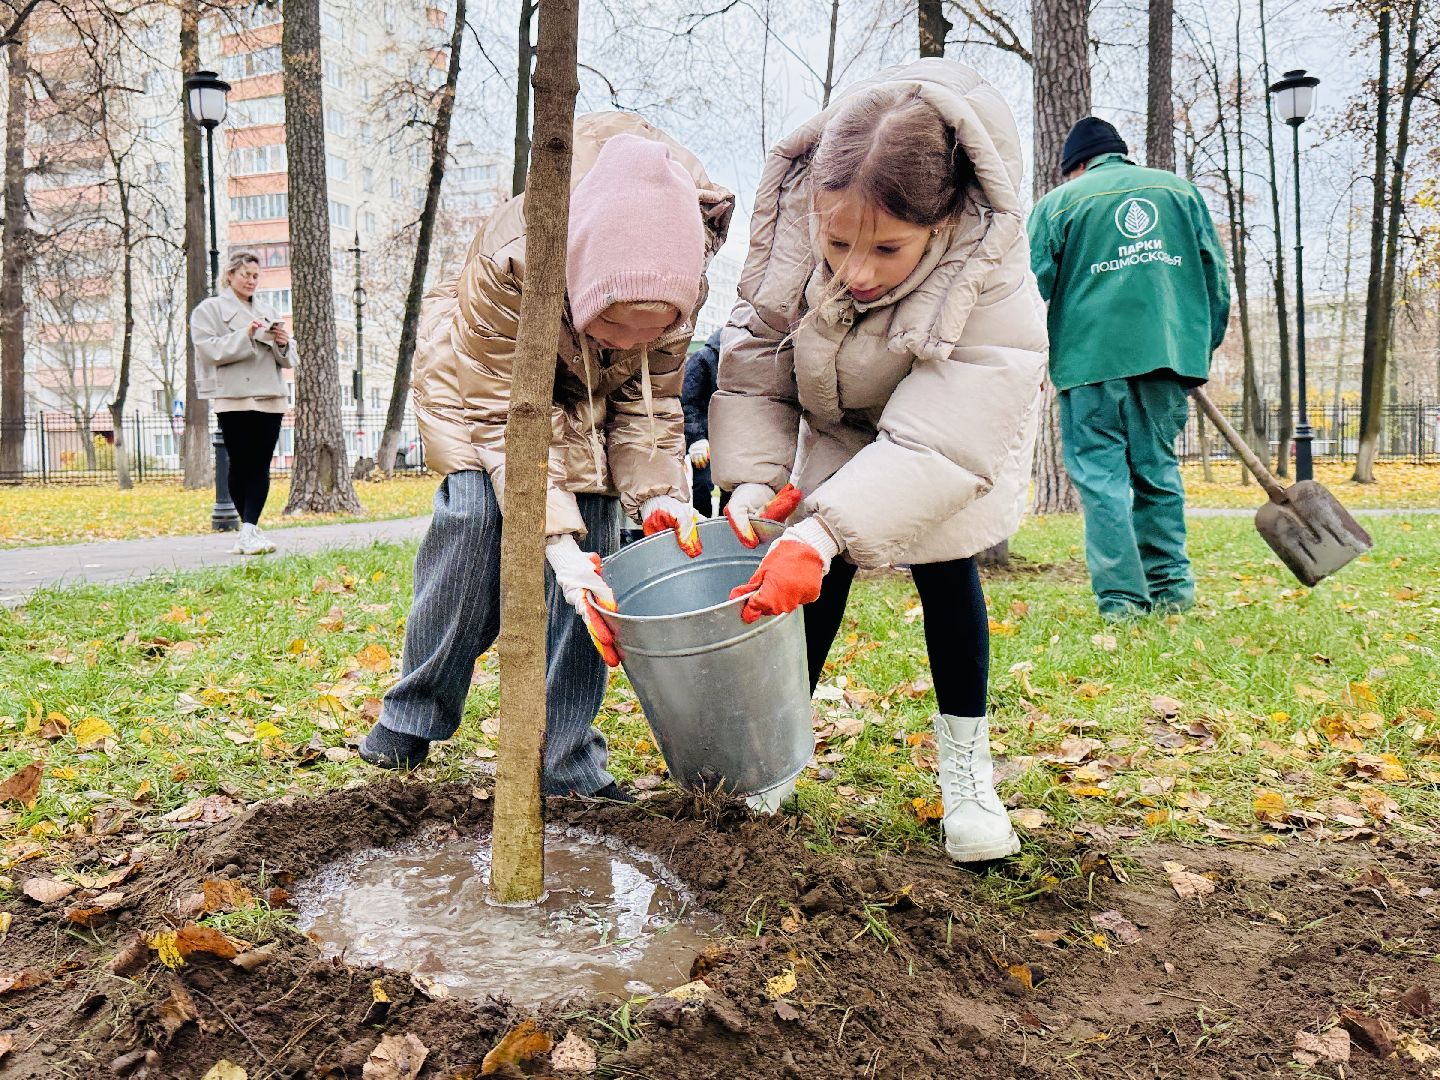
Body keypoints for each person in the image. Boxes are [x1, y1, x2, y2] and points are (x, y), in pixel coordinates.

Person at [711, 59, 1046, 862]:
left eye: (887, 249)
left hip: (945, 438)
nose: (855, 273)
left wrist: (821, 534)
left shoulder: (993, 274)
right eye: (837, 244)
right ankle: (778, 757)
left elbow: (937, 443)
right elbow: (756, 351)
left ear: (943, 222)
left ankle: (967, 774)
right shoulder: (797, 233)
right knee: (814, 587)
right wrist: (755, 478)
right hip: (840, 417)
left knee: (944, 570)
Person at [358, 115, 733, 801]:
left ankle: (564, 759)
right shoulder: (514, 261)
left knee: (597, 552)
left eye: (650, 331)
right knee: (473, 524)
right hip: (483, 380)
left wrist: (659, 498)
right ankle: (412, 715)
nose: (632, 342)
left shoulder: (682, 268)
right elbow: (503, 416)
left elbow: (649, 405)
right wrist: (553, 544)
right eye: (616, 324)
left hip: (588, 398)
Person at [1028, 117, 1230, 619]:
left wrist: (1032, 357)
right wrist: (1197, 350)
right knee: (1157, 472)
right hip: (1166, 356)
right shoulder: (1179, 193)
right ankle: (1172, 591)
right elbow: (1215, 277)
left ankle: (1121, 601)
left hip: (1089, 363)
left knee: (1102, 481)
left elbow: (1031, 289)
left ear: (1075, 166)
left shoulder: (1060, 204)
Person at [190, 251, 293, 556]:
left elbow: (286, 360)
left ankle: (249, 528)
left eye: (255, 276)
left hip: (270, 395)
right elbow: (209, 351)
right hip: (233, 396)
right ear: (230, 275)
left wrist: (283, 342)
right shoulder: (208, 310)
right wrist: (246, 335)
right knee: (240, 462)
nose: (251, 281)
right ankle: (248, 530)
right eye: (245, 274)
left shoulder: (267, 308)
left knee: (261, 464)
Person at [681, 328, 730, 518]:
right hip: (705, 438)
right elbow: (687, 401)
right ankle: (704, 529)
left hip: (729, 439)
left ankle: (728, 531)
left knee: (732, 487)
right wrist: (696, 438)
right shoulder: (703, 359)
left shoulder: (739, 362)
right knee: (702, 485)